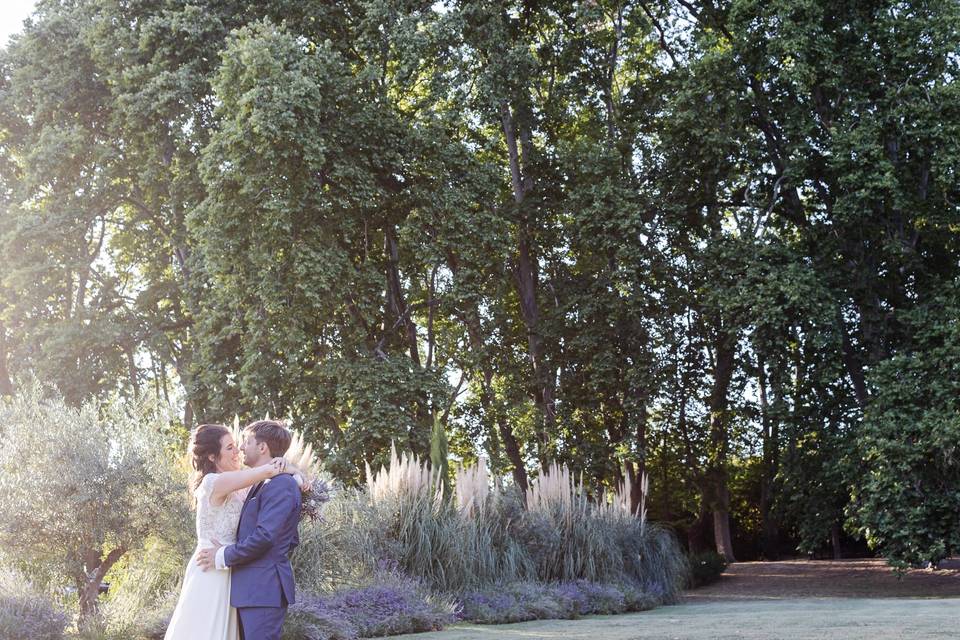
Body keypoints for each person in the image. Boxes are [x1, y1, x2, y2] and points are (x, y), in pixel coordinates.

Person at [164, 423, 291, 640]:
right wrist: (290, 469)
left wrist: (294, 472)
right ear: (213, 457)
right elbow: (270, 470)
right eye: (230, 447)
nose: (239, 451)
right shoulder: (214, 482)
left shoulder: (236, 481)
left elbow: (269, 473)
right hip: (210, 566)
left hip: (228, 565)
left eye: (238, 446)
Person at [196, 420, 304, 640]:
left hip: (262, 588)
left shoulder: (281, 484)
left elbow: (266, 536)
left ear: (262, 447)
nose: (241, 448)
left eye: (246, 442)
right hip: (243, 586)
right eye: (232, 446)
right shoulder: (257, 483)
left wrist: (225, 553)